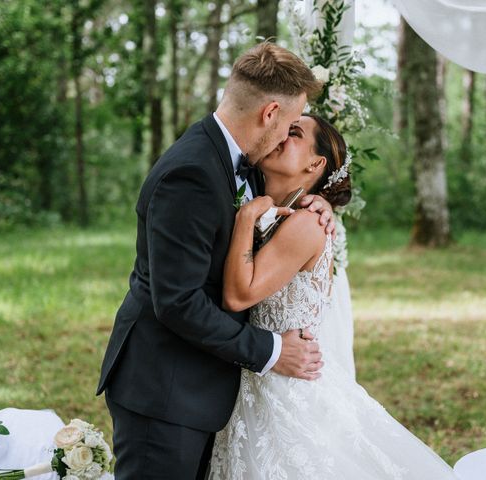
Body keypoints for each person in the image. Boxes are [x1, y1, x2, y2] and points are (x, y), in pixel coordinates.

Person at [96, 42, 333, 479]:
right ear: (269, 114)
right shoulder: (193, 173)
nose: (285, 138)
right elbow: (178, 302)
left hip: (200, 388)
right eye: (288, 126)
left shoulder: (237, 160)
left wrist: (319, 202)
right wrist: (273, 351)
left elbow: (291, 191)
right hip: (165, 390)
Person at [210, 114, 459, 480]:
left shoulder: (306, 223)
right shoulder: (281, 209)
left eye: (293, 133)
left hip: (286, 391)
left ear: (315, 163)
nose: (280, 135)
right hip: (257, 382)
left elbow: (238, 295)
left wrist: (246, 219)